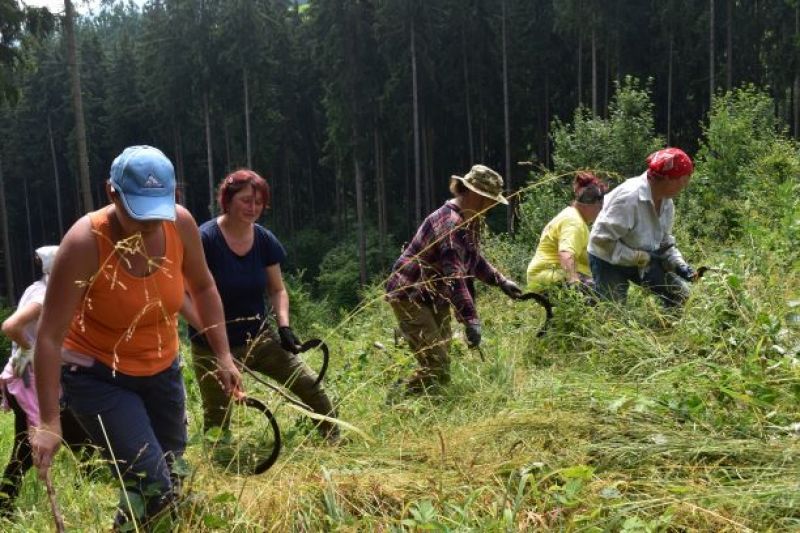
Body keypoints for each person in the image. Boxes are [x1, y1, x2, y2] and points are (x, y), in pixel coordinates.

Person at [30, 145, 242, 528]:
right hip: (98, 376)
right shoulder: (85, 242)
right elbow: (48, 336)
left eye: (157, 211)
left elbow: (204, 287)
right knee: (152, 484)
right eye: (137, 213)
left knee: (171, 476)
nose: (149, 224)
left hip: (162, 370)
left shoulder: (180, 224)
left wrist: (223, 355)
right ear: (112, 193)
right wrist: (48, 421)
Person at [185, 169, 338, 442]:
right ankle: (221, 458)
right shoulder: (205, 239)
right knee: (217, 419)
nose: (252, 208)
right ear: (228, 200)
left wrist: (284, 326)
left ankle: (334, 438)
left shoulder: (264, 239)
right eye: (245, 200)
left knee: (309, 384)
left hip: (258, 338)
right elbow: (184, 296)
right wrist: (214, 339)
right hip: (210, 346)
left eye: (258, 202)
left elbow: (277, 289)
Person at [385, 164, 523, 394]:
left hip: (434, 295)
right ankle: (399, 396)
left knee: (441, 359)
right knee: (437, 364)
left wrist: (500, 281)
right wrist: (471, 319)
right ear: (476, 195)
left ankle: (418, 395)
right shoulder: (450, 223)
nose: (490, 206)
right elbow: (455, 277)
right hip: (410, 292)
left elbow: (473, 259)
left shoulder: (469, 220)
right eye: (490, 200)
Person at [0, 246, 91, 516]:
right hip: (31, 381)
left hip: (26, 378)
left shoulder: (37, 288)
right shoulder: (43, 296)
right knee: (76, 441)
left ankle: (6, 504)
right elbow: (11, 326)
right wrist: (31, 349)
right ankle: (6, 505)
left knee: (76, 440)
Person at [588, 147, 697, 306]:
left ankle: (667, 322)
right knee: (613, 313)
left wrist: (679, 265)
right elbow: (600, 240)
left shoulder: (667, 202)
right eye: (683, 180)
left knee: (681, 295)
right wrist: (639, 257)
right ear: (668, 179)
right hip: (607, 259)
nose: (685, 185)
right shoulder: (629, 198)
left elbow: (664, 241)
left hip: (643, 257)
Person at [526, 172, 607, 293]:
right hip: (551, 277)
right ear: (589, 204)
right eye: (599, 206)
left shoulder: (572, 216)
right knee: (602, 291)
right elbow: (566, 253)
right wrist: (575, 284)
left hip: (547, 276)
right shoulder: (574, 222)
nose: (600, 211)